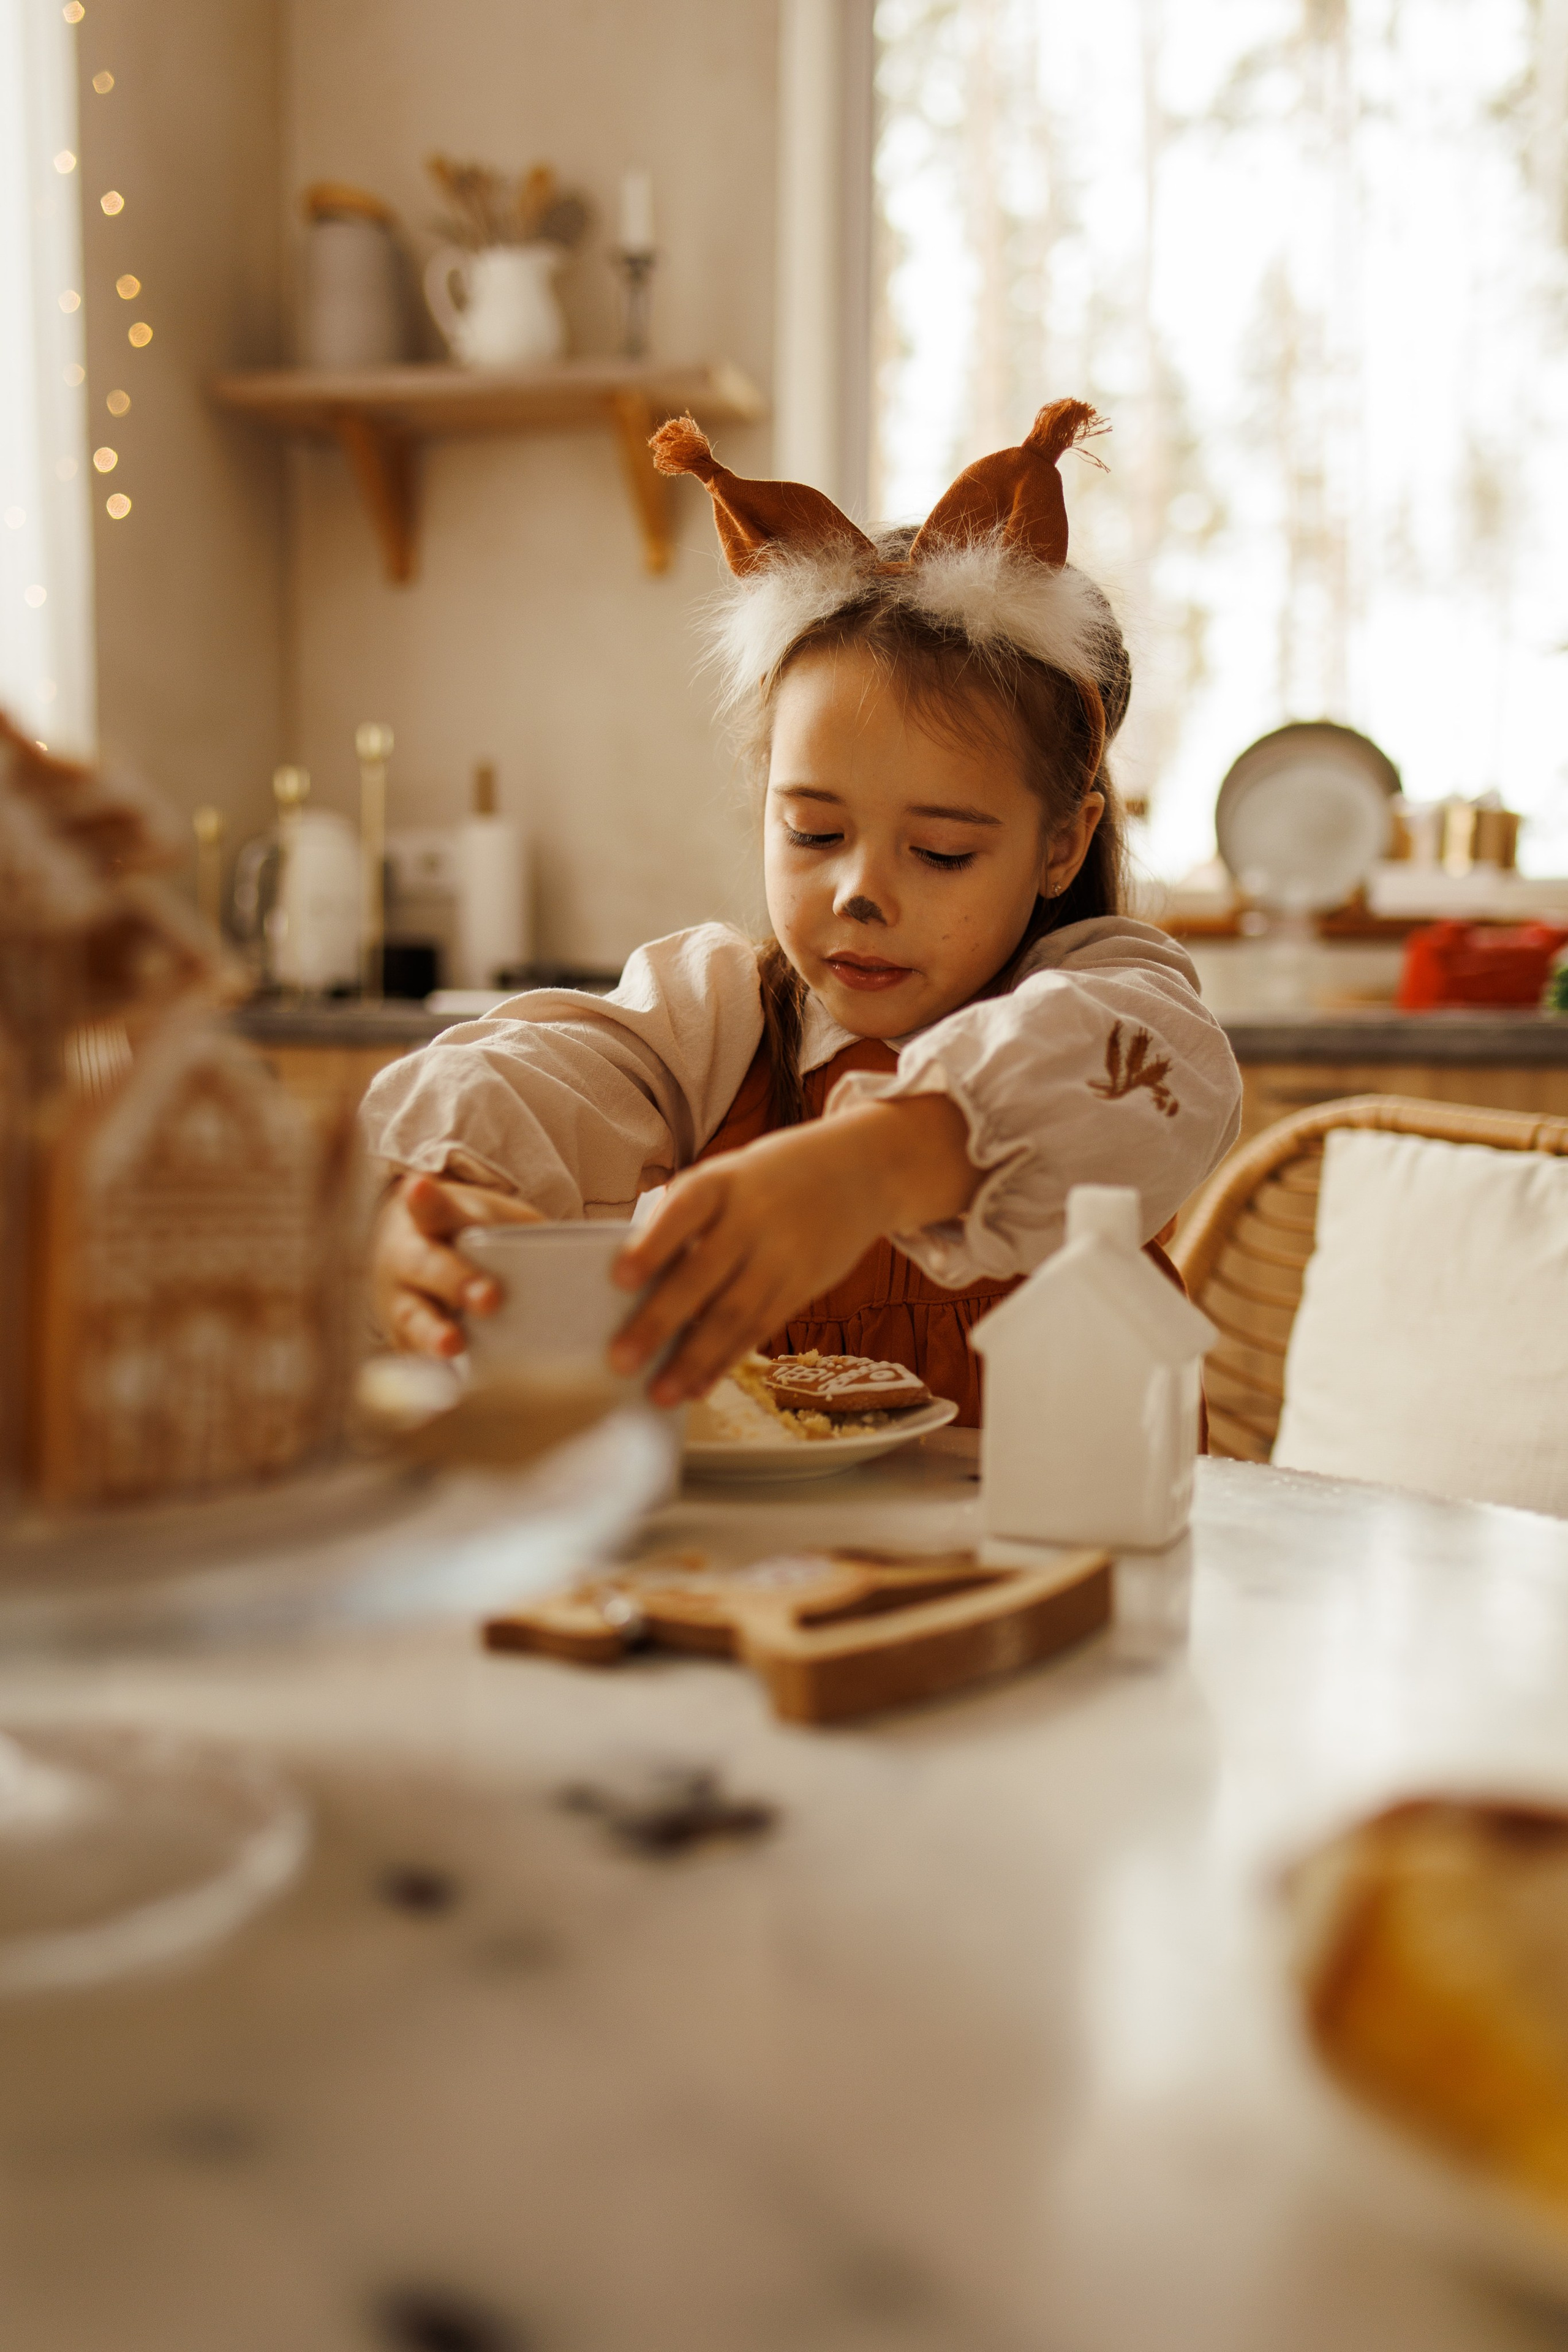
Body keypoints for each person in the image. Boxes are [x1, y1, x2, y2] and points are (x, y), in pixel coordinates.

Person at [364, 399, 1242, 1424]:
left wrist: (871, 1168)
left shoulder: (1105, 994)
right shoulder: (715, 1018)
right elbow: (518, 1078)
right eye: (816, 834)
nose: (860, 890)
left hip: (1072, 1561)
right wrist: (410, 1207)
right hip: (776, 1571)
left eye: (942, 851)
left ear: (1062, 844)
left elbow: (1154, 1067)